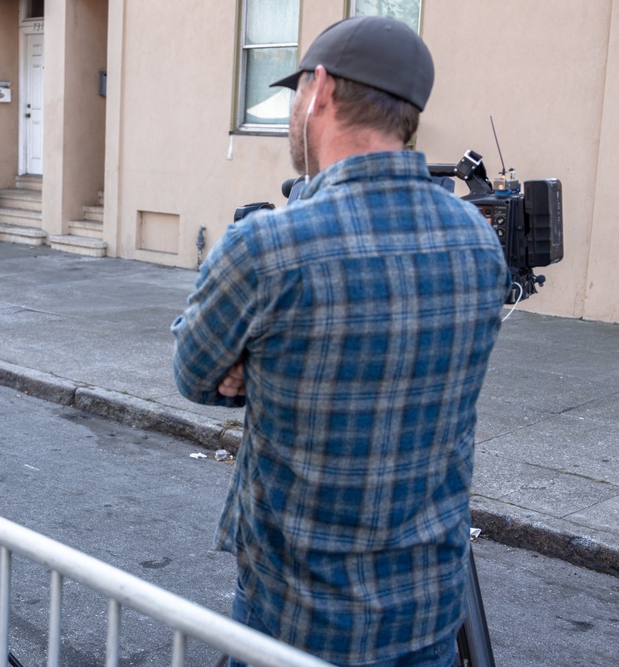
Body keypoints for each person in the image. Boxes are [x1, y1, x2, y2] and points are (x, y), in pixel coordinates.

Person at [171, 16, 509, 667]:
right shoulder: (479, 240)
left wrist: (255, 367)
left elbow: (193, 373)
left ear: (319, 89)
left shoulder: (266, 248)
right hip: (430, 611)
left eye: (296, 92)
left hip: (295, 620)